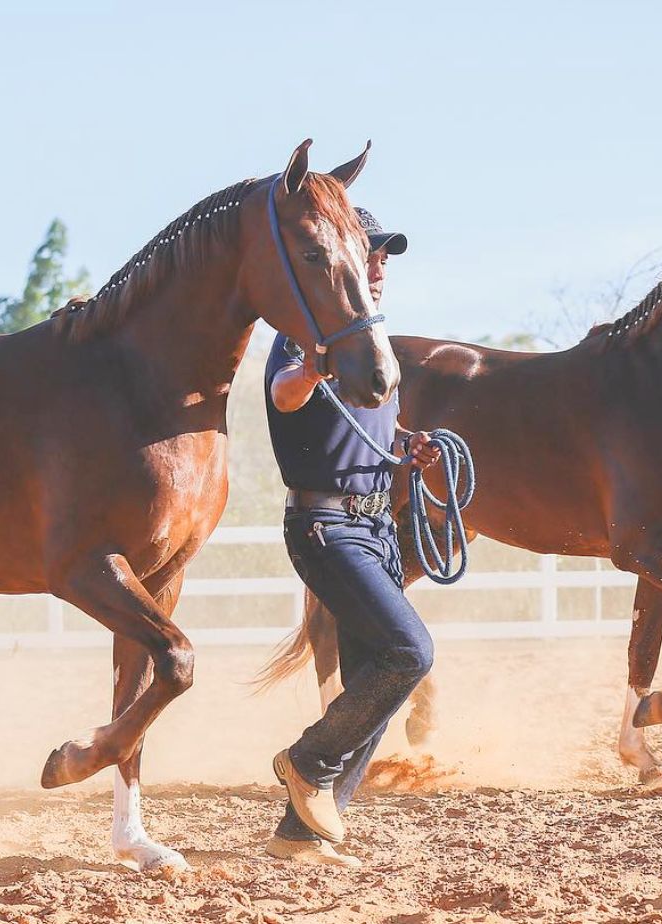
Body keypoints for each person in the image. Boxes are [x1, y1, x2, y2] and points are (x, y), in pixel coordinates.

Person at [264, 208, 440, 866]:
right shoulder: (304, 333)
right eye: (371, 253)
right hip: (326, 525)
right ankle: (307, 761)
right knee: (410, 652)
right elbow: (284, 395)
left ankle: (299, 834)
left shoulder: (370, 341)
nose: (380, 265)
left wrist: (408, 445)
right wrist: (315, 368)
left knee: (377, 682)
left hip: (375, 525)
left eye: (385, 257)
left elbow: (368, 429)